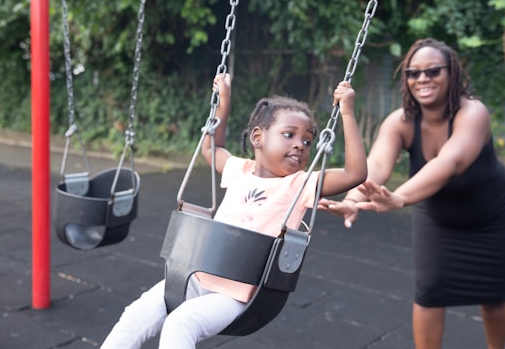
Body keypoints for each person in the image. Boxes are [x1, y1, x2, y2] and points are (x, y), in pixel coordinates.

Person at [101, 73, 367, 349]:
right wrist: (223, 101)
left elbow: (355, 173)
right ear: (257, 137)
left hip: (237, 295)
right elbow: (211, 148)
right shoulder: (239, 169)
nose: (300, 145)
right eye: (289, 135)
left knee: (181, 323)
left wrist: (347, 112)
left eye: (308, 141)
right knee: (135, 314)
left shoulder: (300, 184)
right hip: (195, 275)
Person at [319, 38, 505, 349]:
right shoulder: (400, 122)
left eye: (432, 71)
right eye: (413, 73)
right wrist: (352, 200)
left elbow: (451, 161)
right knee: (429, 293)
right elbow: (378, 165)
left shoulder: (473, 112)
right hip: (437, 215)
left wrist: (400, 198)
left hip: (490, 216)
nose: (422, 79)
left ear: (451, 74)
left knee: (492, 296)